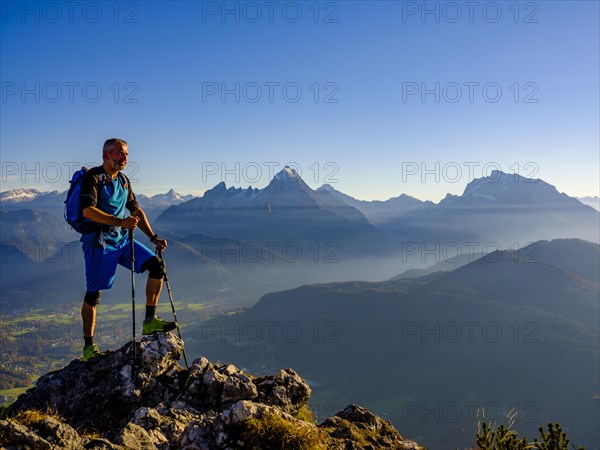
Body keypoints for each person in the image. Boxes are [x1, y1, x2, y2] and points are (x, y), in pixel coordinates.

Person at [79, 138, 175, 362]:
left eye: (126, 154)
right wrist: (119, 222)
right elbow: (87, 211)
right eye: (120, 154)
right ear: (106, 155)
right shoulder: (93, 178)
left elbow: (136, 212)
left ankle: (150, 321)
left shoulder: (123, 181)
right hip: (99, 244)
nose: (124, 158)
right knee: (94, 295)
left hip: (122, 240)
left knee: (156, 265)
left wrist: (153, 237)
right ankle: (88, 347)